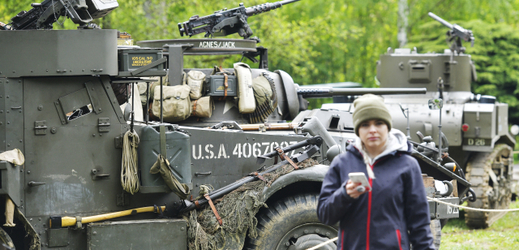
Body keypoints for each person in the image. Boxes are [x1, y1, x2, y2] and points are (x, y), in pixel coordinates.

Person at [317, 94, 434, 250]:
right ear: (358, 129)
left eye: (379, 123)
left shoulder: (407, 165)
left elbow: (420, 223)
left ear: (387, 126)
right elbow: (324, 215)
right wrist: (344, 195)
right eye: (365, 124)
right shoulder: (342, 163)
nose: (372, 130)